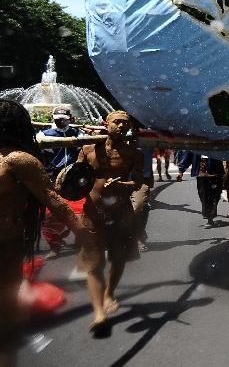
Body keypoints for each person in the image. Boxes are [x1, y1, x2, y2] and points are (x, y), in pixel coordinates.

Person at [0, 100, 89, 362]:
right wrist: (83, 232)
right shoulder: (18, 159)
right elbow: (54, 200)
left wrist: (82, 231)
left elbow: (53, 199)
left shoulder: (17, 160)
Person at [76, 110, 145, 334]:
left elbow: (138, 182)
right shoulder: (88, 150)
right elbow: (76, 178)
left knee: (118, 258)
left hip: (121, 214)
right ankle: (99, 313)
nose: (122, 126)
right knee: (94, 263)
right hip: (92, 214)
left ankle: (109, 294)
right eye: (117, 122)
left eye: (126, 123)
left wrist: (122, 186)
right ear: (107, 124)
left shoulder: (134, 153)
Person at [37, 106, 82, 258]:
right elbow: (40, 158)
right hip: (53, 178)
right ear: (53, 119)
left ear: (69, 119)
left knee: (81, 211)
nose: (61, 122)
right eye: (58, 119)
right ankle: (54, 246)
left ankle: (80, 240)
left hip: (75, 179)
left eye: (64, 119)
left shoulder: (77, 133)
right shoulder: (44, 135)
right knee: (52, 213)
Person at [194, 154, 224, 226]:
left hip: (216, 174)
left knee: (215, 196)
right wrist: (181, 171)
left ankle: (209, 215)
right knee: (204, 196)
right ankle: (209, 216)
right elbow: (188, 155)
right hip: (202, 175)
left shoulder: (218, 144)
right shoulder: (196, 146)